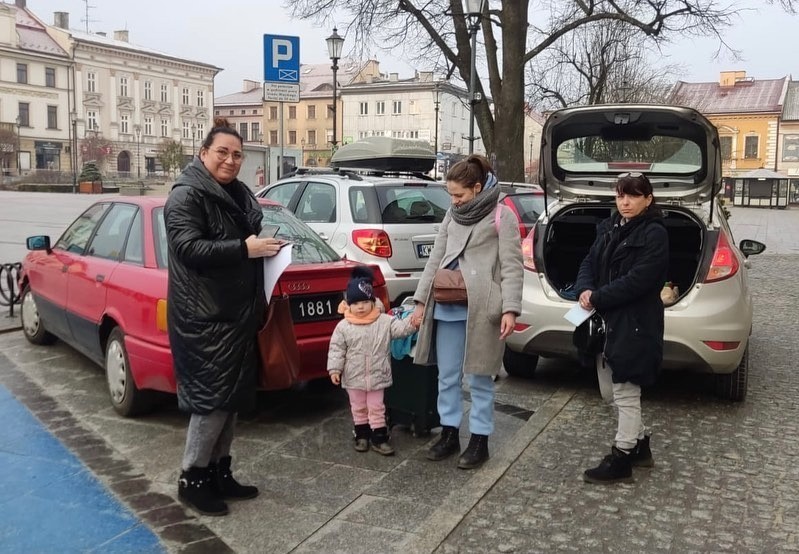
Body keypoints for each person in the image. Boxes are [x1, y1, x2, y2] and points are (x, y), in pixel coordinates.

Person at [165, 117, 285, 516]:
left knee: (231, 401)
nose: (231, 160)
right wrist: (244, 249)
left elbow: (243, 239)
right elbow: (189, 248)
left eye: (237, 154)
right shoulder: (186, 196)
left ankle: (220, 472)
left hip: (235, 315)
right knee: (211, 403)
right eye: (222, 152)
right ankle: (192, 477)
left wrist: (266, 250)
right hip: (204, 318)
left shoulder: (234, 193)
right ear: (203, 154)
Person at [410, 155, 523, 470]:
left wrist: (510, 310)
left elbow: (512, 267)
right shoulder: (452, 214)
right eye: (451, 195)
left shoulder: (502, 215)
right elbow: (436, 257)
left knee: (481, 376)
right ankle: (448, 433)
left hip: (482, 308)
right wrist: (420, 302)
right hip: (446, 304)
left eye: (459, 195)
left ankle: (479, 439)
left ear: (477, 187)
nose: (454, 201)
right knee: (446, 376)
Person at [574, 172, 669, 484]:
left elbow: (640, 280)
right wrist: (585, 291)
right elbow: (588, 261)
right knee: (609, 393)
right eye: (620, 196)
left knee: (626, 391)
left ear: (648, 199)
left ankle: (622, 458)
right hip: (606, 321)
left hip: (635, 324)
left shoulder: (655, 234)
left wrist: (599, 297)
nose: (625, 202)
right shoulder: (610, 227)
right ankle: (640, 445)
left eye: (633, 196)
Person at [327, 267, 418, 455]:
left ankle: (379, 437)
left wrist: (413, 323)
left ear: (372, 301)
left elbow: (400, 329)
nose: (360, 307)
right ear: (348, 304)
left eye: (364, 302)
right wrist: (334, 369)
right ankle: (361, 434)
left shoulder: (384, 321)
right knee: (358, 407)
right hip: (353, 378)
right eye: (355, 303)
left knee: (377, 407)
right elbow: (336, 349)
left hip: (377, 375)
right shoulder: (343, 327)